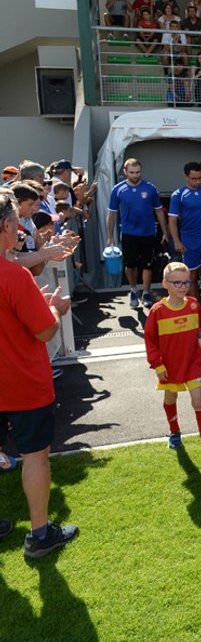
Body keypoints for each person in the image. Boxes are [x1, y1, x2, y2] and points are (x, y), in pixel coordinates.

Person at [0, 189, 78, 559]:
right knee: (35, 456)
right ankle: (40, 534)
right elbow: (45, 331)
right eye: (16, 224)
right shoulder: (14, 276)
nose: (20, 231)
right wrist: (55, 309)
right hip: (21, 381)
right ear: (5, 227)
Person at [144, 261, 201, 460]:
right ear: (165, 284)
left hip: (192, 364)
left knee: (198, 401)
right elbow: (150, 341)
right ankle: (174, 432)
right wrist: (158, 365)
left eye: (186, 283)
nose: (182, 287)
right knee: (170, 399)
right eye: (177, 283)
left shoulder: (193, 304)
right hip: (169, 368)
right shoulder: (156, 311)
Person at [106, 158, 168, 309]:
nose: (135, 175)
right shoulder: (118, 189)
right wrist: (110, 236)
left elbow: (159, 211)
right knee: (130, 265)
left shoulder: (150, 188)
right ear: (125, 172)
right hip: (128, 233)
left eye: (138, 172)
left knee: (147, 265)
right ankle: (133, 289)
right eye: (132, 172)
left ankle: (146, 292)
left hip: (147, 233)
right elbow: (112, 214)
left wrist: (165, 232)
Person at [168, 161, 201, 311]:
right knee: (192, 276)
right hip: (189, 240)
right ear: (186, 177)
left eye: (199, 178)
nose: (197, 181)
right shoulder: (178, 195)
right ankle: (196, 306)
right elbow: (172, 220)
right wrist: (177, 241)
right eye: (194, 179)